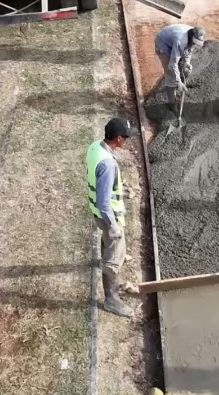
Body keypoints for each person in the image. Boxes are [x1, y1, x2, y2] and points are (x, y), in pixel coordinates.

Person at [85, 117, 140, 317]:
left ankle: (107, 251)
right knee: (113, 256)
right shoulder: (107, 165)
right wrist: (113, 226)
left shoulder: (95, 148)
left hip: (97, 212)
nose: (126, 140)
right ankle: (111, 300)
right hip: (108, 216)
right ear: (118, 139)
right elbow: (104, 202)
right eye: (125, 137)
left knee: (108, 243)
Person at [155, 24, 206, 98]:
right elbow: (172, 64)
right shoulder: (181, 41)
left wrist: (186, 62)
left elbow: (189, 50)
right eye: (194, 43)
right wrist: (177, 81)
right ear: (191, 37)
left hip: (174, 40)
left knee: (184, 68)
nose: (195, 45)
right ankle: (172, 101)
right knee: (170, 73)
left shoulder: (195, 35)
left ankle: (182, 83)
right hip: (163, 43)